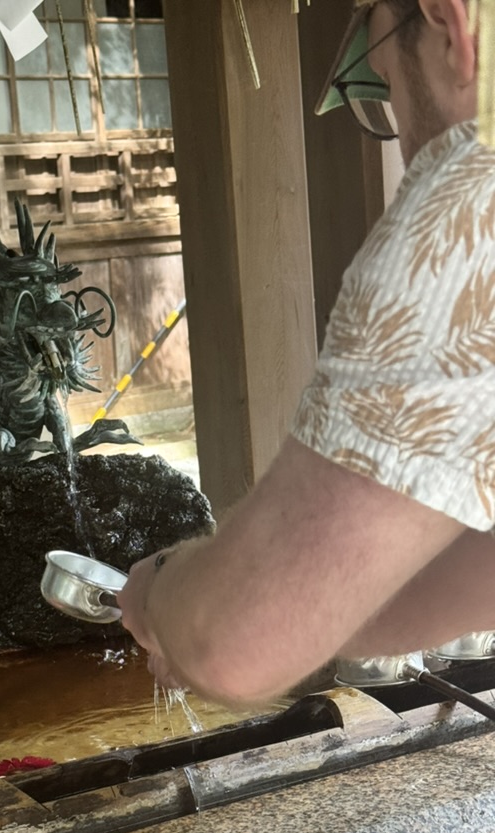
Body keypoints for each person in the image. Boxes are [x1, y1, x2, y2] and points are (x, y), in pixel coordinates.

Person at [117, 0, 495, 708]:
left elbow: (232, 648)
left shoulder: (471, 196)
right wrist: (303, 602)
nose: (408, 149)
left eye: (387, 87)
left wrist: (162, 593)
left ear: (449, 25)